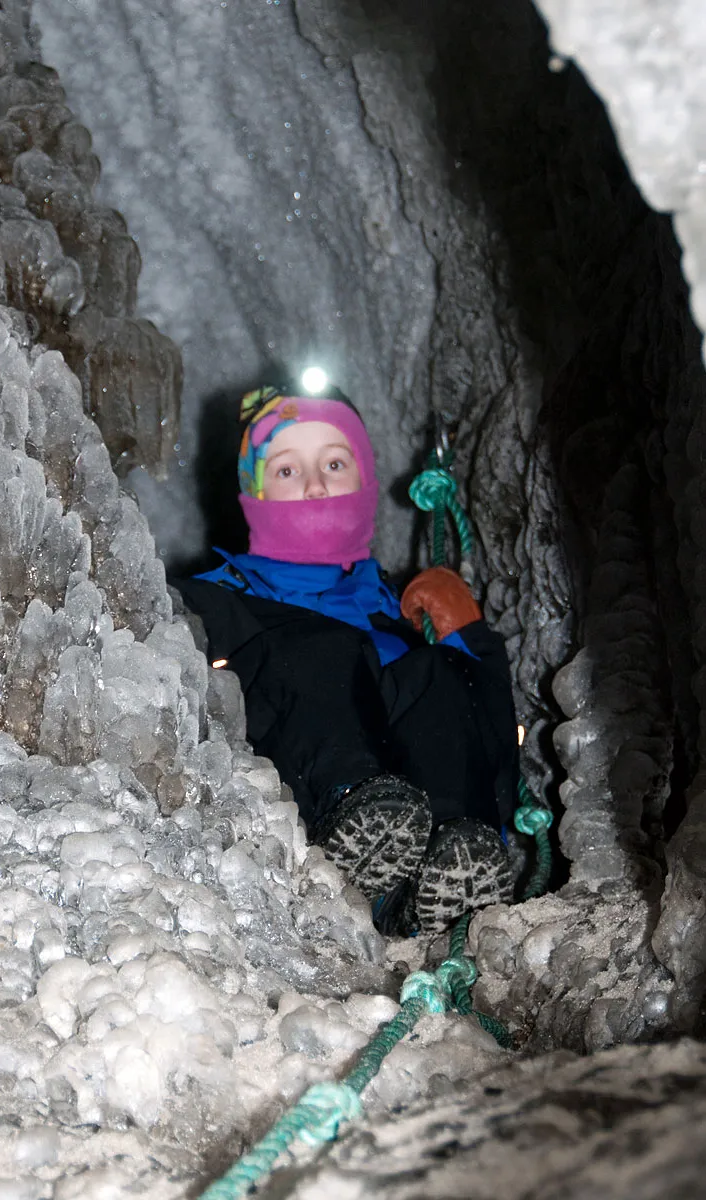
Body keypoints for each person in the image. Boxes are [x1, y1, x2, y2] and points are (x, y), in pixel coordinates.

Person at [175, 382, 520, 937]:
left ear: (364, 479)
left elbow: (498, 757)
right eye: (287, 470)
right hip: (293, 834)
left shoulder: (402, 619)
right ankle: (354, 820)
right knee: (325, 649)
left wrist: (469, 643)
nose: (315, 485)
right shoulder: (209, 602)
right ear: (253, 492)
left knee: (440, 677)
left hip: (425, 886)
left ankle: (450, 866)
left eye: (334, 464)